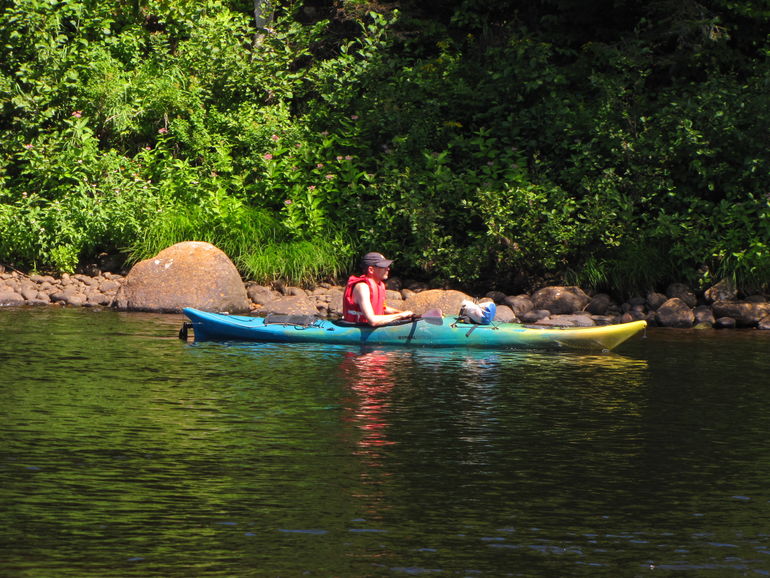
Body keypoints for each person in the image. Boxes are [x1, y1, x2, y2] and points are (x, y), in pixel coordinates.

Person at [342, 252, 414, 326]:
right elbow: (373, 321)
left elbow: (383, 308)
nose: (388, 269)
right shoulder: (362, 287)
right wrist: (401, 316)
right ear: (371, 270)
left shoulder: (379, 285)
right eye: (383, 266)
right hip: (357, 328)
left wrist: (402, 313)